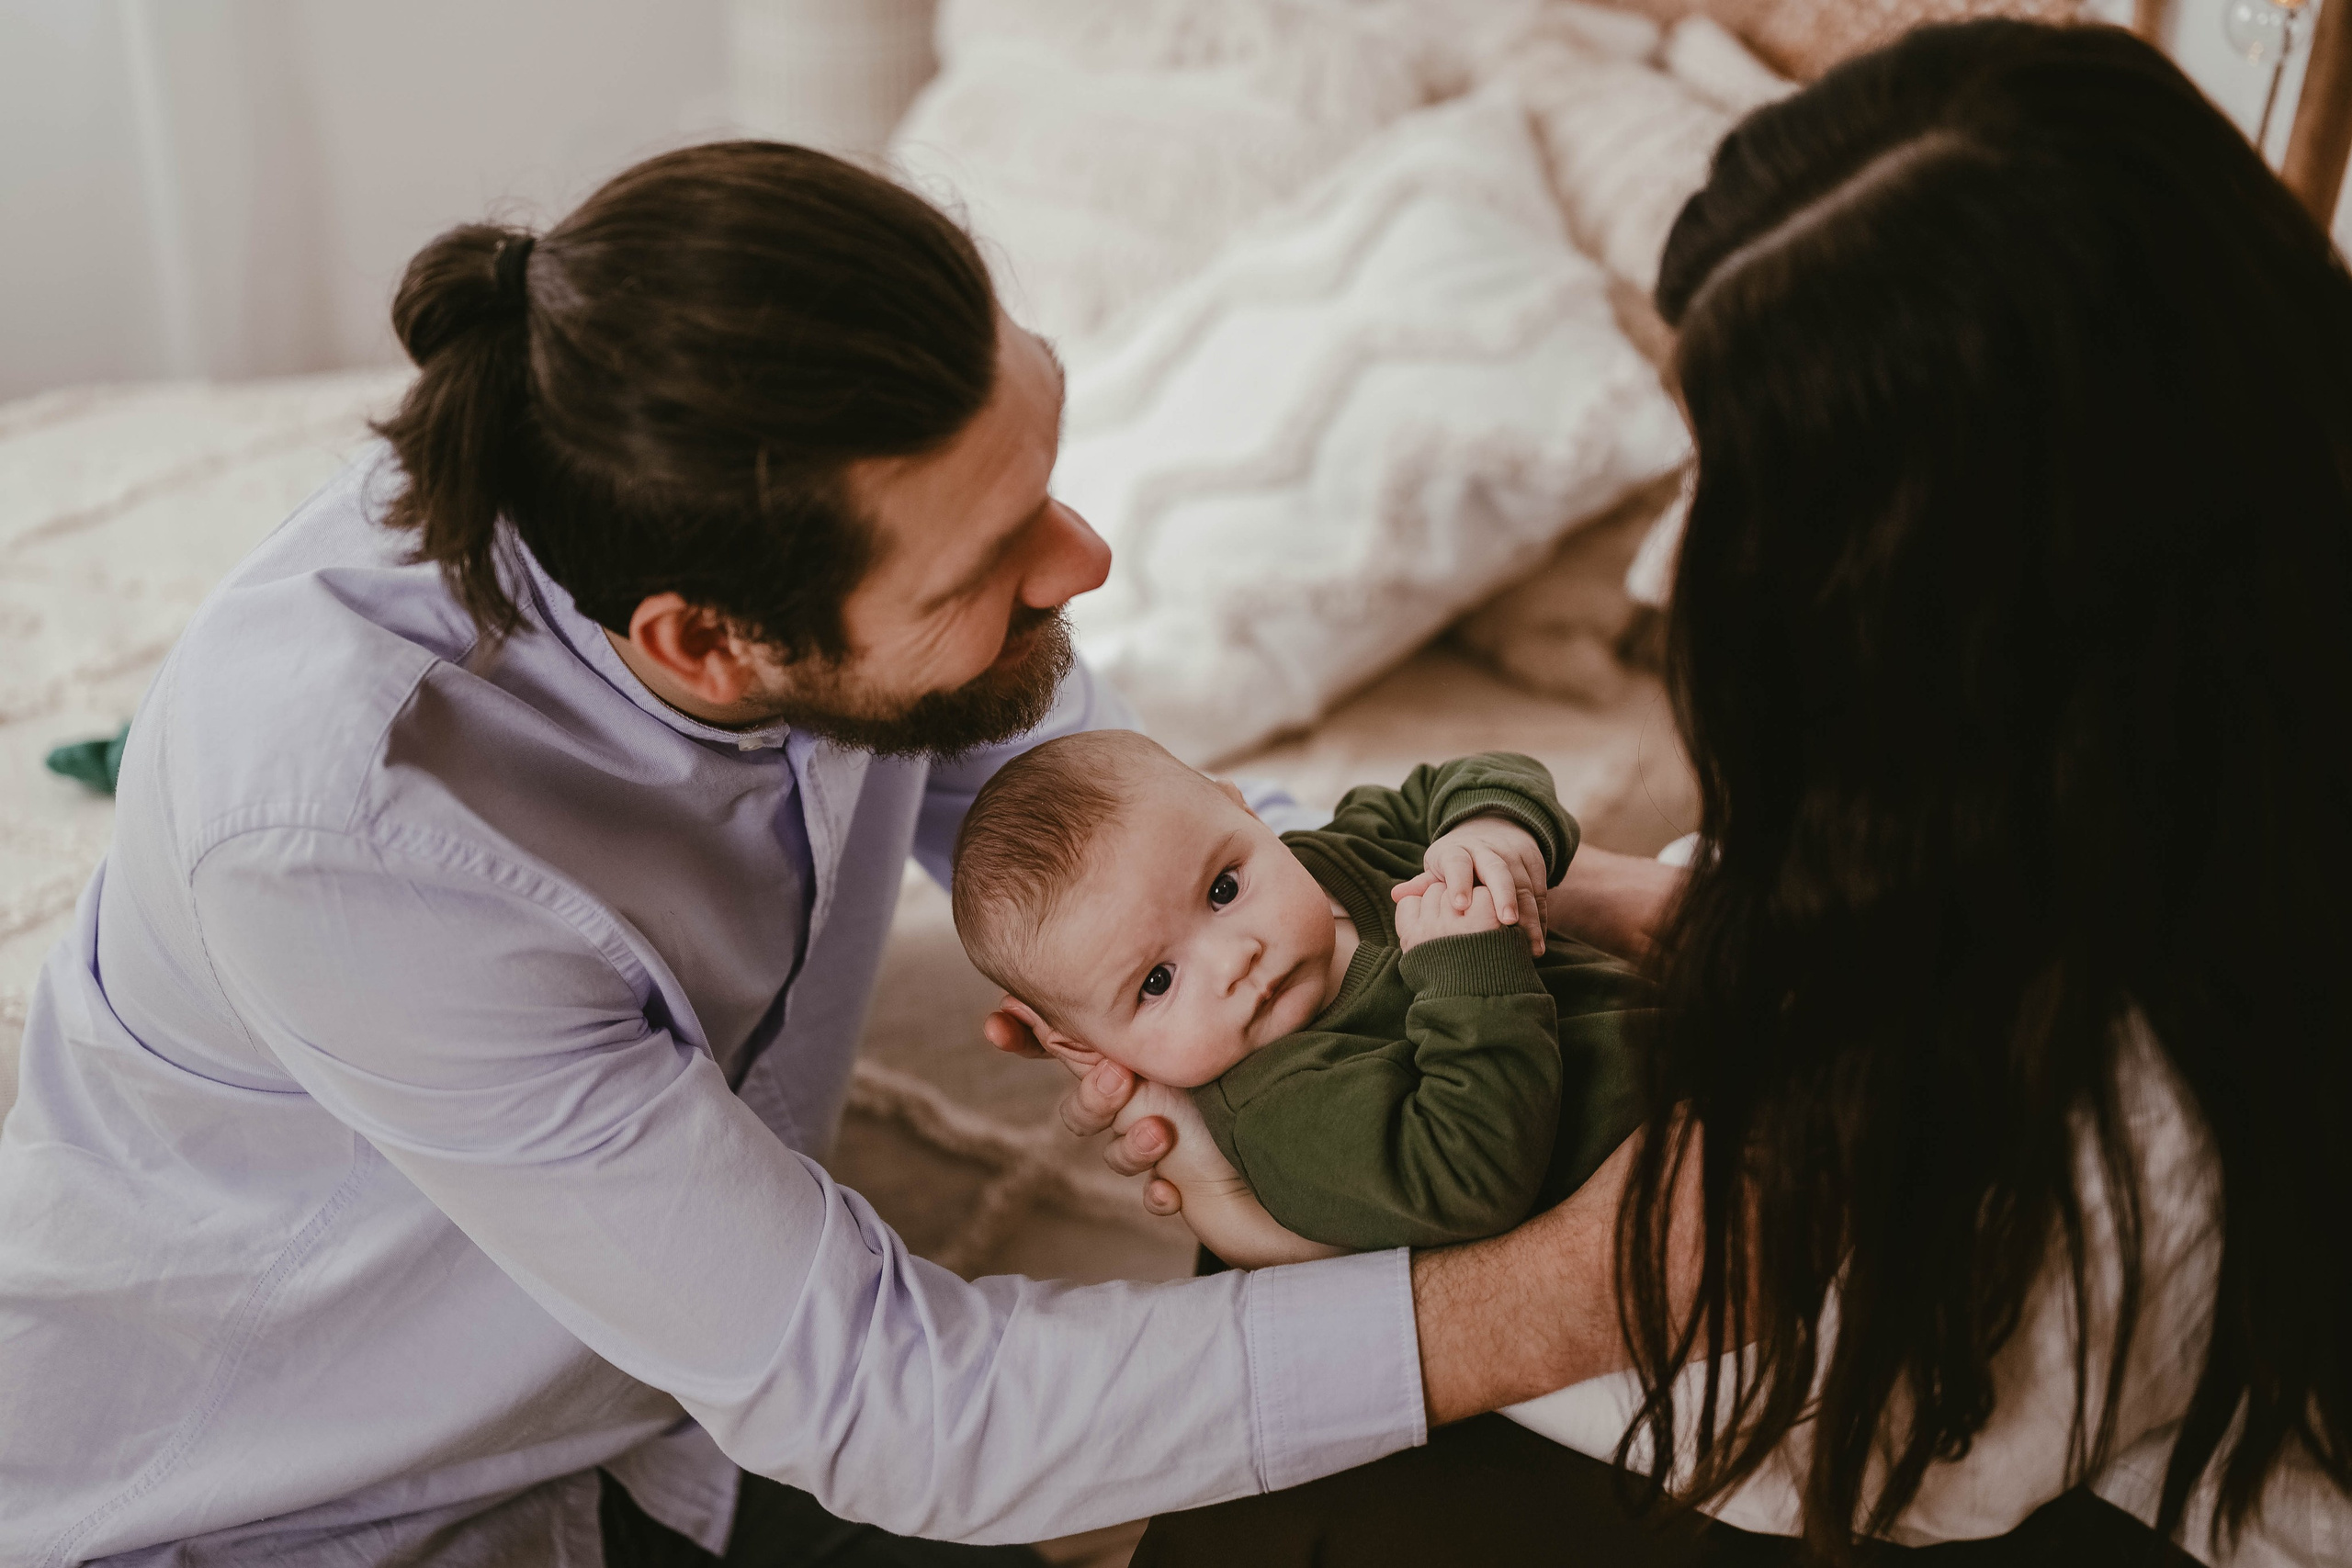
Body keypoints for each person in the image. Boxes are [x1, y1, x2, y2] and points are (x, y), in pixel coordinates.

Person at [0, 143, 1642, 1566]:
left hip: (681, 1427)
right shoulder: (349, 846)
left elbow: (1114, 825)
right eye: (994, 557)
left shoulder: (723, 466)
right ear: (706, 645)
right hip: (299, 1506)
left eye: (1044, 476)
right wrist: (1575, 1289)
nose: (1085, 560)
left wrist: (1537, 887)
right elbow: (888, 1397)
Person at [1113, 21, 2352, 1567]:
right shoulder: (2189, 681)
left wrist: (1287, 1239)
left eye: (1743, 502)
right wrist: (1593, 890)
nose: (1672, 567)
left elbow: (1877, 1455)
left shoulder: (2161, 1092)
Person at [948, 730, 1652, 1264]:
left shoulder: (1335, 854)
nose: (1235, 959)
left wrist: (1487, 832)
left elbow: (1465, 777)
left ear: (1241, 808)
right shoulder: (1282, 1107)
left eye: (1223, 888)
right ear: (1084, 1047)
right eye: (1156, 982)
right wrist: (1469, 969)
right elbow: (1468, 1180)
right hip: (1641, 1188)